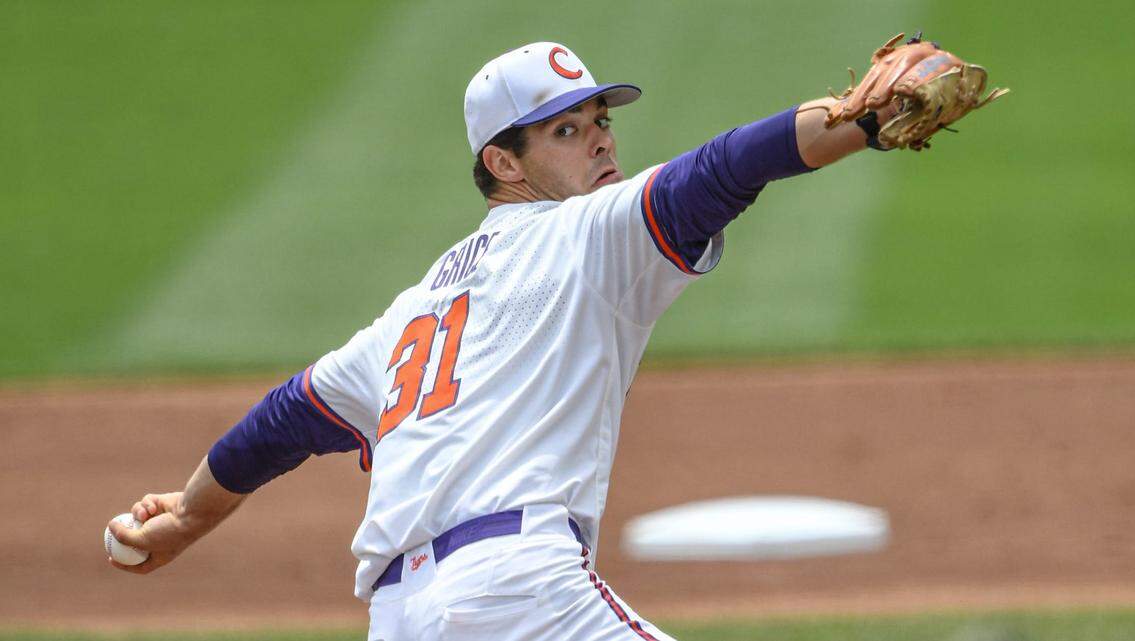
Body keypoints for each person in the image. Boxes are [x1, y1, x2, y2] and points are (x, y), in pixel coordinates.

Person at [108, 41, 909, 640]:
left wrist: (187, 514)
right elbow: (724, 168)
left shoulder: (412, 311)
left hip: (399, 615)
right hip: (518, 590)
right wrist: (859, 121)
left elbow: (285, 418)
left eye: (600, 121)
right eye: (566, 130)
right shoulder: (592, 229)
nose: (601, 141)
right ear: (503, 161)